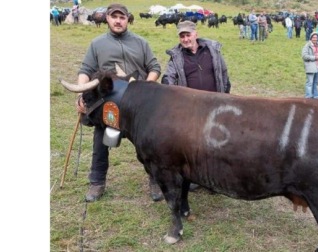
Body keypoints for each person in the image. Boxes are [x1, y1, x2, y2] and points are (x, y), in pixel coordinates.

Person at [75, 3, 162, 202]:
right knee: (101, 140)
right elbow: (85, 70)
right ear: (107, 18)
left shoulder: (141, 42)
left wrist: (146, 89)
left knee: (148, 143)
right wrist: (80, 95)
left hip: (138, 104)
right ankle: (97, 182)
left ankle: (155, 180)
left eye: (122, 17)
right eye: (114, 17)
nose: (118, 21)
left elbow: (154, 67)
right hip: (108, 104)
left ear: (127, 19)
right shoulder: (97, 44)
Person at [161, 20, 231, 191]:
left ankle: (215, 179)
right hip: (192, 108)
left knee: (216, 142)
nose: (185, 39)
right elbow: (168, 77)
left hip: (215, 105)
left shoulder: (212, 50)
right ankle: (198, 178)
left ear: (195, 34)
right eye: (182, 36)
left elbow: (223, 73)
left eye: (188, 35)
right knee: (195, 144)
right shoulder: (176, 57)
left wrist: (226, 96)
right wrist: (168, 89)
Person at [302, 32, 318, 99]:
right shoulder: (307, 46)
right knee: (310, 83)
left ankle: (315, 96)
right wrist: (314, 57)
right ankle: (308, 97)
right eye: (313, 37)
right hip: (310, 67)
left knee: (316, 83)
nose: (315, 39)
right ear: (311, 38)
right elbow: (304, 56)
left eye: (316, 38)